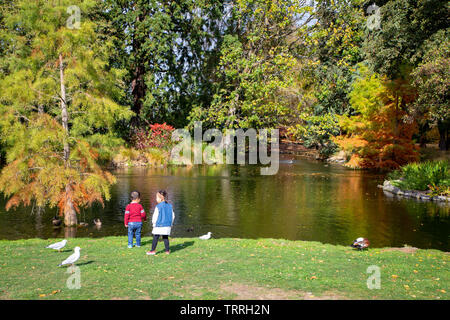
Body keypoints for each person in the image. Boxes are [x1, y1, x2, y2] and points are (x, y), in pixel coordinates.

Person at [146, 190, 175, 255]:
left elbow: (155, 216)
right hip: (167, 225)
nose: (156, 199)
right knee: (165, 238)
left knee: (155, 237)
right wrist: (171, 223)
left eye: (157, 197)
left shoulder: (158, 206)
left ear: (161, 198)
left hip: (159, 225)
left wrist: (153, 223)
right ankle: (167, 251)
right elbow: (173, 215)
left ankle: (153, 250)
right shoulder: (170, 206)